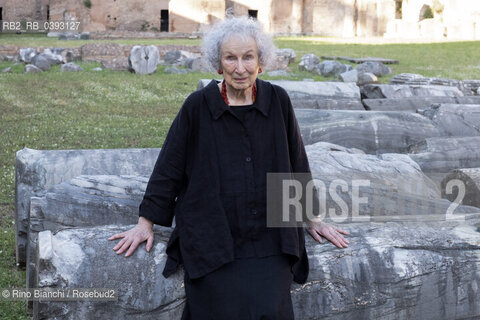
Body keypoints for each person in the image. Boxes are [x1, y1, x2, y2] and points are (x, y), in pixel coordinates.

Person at [109, 15, 349, 320]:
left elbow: (296, 163)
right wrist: (146, 223)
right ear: (218, 64)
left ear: (260, 61)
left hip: (270, 236)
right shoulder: (197, 106)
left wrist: (314, 220)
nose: (239, 68)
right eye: (230, 58)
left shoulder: (278, 100)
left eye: (248, 57)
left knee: (269, 308)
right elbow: (169, 166)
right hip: (212, 234)